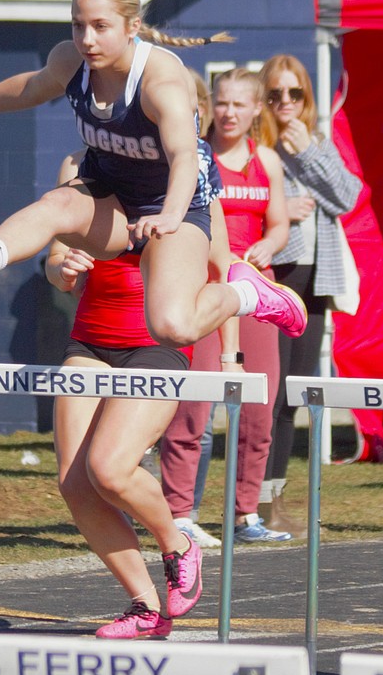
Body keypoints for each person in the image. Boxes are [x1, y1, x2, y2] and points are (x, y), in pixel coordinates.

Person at [0, 0, 307, 349]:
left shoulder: (161, 82)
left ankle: (246, 293)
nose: (87, 40)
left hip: (175, 209)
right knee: (59, 202)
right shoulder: (70, 62)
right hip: (112, 205)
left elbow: (185, 154)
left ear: (132, 26)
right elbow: (29, 88)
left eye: (100, 27)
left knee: (173, 327)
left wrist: (169, 215)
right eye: (77, 25)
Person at [45, 148, 240, 639]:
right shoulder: (78, 170)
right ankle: (145, 607)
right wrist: (62, 268)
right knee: (75, 483)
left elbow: (222, 267)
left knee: (109, 469)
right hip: (90, 338)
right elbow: (52, 262)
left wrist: (229, 355)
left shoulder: (189, 180)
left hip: (155, 345)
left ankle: (176, 543)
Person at [159, 68, 294, 544]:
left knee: (259, 406)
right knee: (191, 406)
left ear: (258, 109)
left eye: (240, 104)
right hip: (201, 287)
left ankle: (245, 515)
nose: (229, 113)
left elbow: (278, 224)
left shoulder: (268, 162)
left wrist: (269, 246)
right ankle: (178, 513)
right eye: (222, 103)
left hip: (254, 291)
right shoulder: (192, 155)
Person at [256, 54, 362, 536]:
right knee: (269, 394)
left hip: (317, 279)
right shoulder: (257, 145)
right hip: (277, 273)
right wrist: (284, 208)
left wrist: (309, 155)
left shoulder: (314, 142)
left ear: (306, 98)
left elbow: (346, 197)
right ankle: (253, 502)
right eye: (275, 94)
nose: (285, 103)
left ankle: (273, 499)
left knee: (293, 395)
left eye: (293, 94)